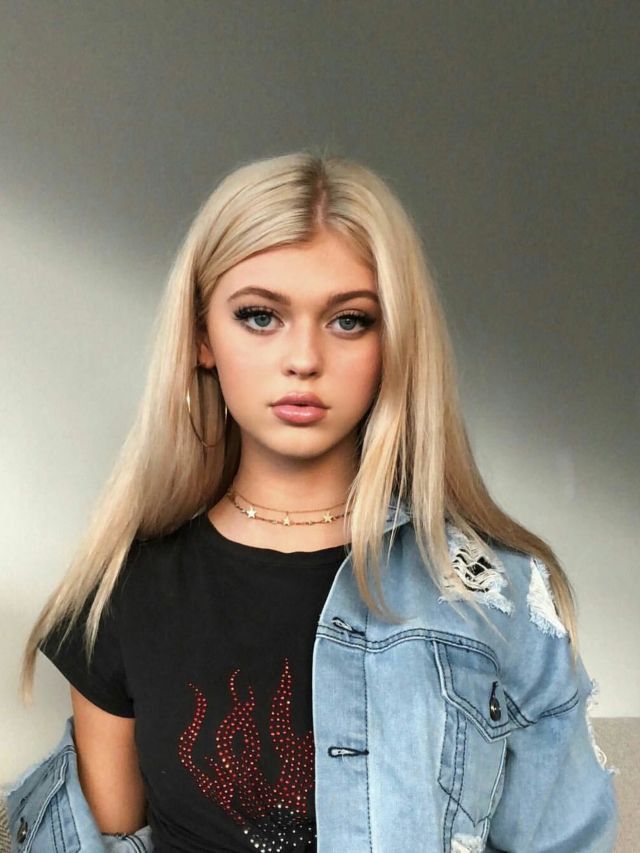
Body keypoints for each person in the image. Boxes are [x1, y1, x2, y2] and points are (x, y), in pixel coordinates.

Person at [12, 151, 619, 852]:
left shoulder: (499, 595)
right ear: (202, 336)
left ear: (396, 342)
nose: (303, 358)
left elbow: (564, 840)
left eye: (349, 320)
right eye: (260, 316)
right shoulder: (120, 595)